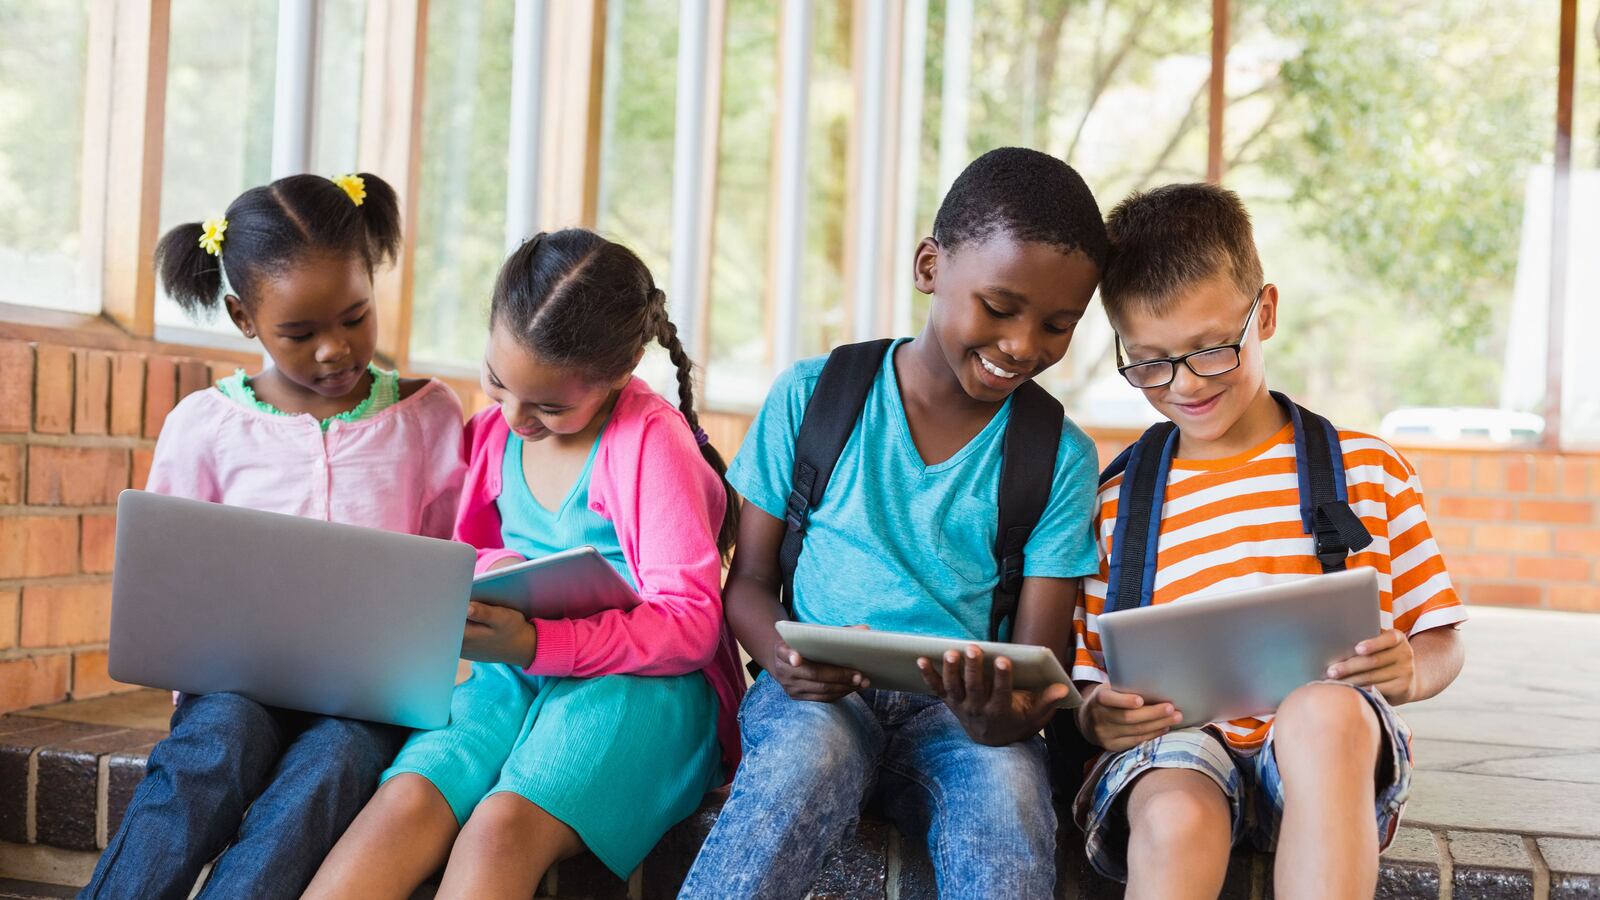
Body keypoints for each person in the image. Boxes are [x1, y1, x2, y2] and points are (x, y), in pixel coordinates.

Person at [679, 147, 1109, 898]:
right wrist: (782, 659)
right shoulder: (815, 397)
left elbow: (1037, 663)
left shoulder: (1057, 456)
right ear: (929, 266)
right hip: (814, 699)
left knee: (1008, 797)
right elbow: (746, 582)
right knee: (799, 764)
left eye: (1058, 326)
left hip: (963, 727)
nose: (1022, 346)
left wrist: (999, 718)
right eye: (1000, 308)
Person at [304, 229, 745, 899]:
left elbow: (690, 625)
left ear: (619, 375)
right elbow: (471, 549)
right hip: (514, 671)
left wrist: (540, 641)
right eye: (497, 382)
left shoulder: (650, 441)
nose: (514, 417)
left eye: (550, 406)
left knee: (500, 825)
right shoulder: (493, 435)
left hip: (643, 684)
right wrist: (495, 576)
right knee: (408, 799)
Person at [1071, 183, 1467, 900]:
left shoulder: (1366, 471)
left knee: (1323, 711)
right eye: (1151, 361)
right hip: (1177, 753)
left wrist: (1411, 672)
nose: (1185, 384)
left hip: (1324, 755)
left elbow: (1440, 637)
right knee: (1175, 812)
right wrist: (1097, 714)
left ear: (1268, 313)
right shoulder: (1116, 501)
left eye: (1211, 350)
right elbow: (1091, 676)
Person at [82, 173, 465, 900]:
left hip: (366, 702)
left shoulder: (428, 416)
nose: (334, 349)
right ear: (242, 317)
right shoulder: (207, 424)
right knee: (212, 747)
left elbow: (458, 557)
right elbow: (167, 583)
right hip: (233, 687)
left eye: (355, 317)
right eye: (301, 332)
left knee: (333, 766)